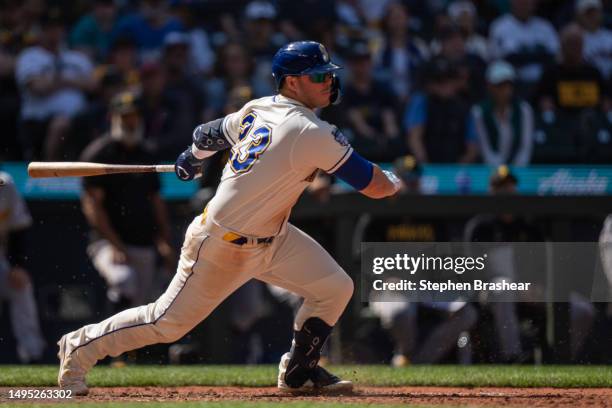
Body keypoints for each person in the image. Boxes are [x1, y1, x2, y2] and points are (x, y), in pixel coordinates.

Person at [57, 41, 401, 395]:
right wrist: (393, 182)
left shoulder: (261, 107)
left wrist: (192, 156)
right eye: (318, 76)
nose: (328, 81)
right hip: (222, 244)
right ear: (292, 82)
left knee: (335, 288)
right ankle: (79, 346)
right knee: (165, 323)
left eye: (329, 74)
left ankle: (299, 372)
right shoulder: (310, 130)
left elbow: (208, 133)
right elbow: (374, 187)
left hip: (275, 238)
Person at [79, 90, 175, 314]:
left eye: (134, 116)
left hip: (143, 243)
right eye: (124, 117)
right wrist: (114, 243)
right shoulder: (99, 154)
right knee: (123, 282)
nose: (130, 122)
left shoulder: (147, 152)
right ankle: (106, 345)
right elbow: (92, 206)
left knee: (143, 307)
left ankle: (131, 351)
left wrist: (164, 239)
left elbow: (156, 200)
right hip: (108, 242)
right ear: (112, 118)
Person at [0, 171, 46, 363]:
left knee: (21, 287)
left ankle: (32, 354)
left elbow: (19, 227)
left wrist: (17, 264)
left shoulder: (4, 184)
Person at [472, 61, 534, 166]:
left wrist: (517, 169)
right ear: (490, 86)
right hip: (490, 171)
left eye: (508, 85)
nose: (505, 90)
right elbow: (485, 149)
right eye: (500, 85)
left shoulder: (524, 109)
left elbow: (525, 147)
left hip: (520, 170)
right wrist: (501, 172)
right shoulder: (479, 111)